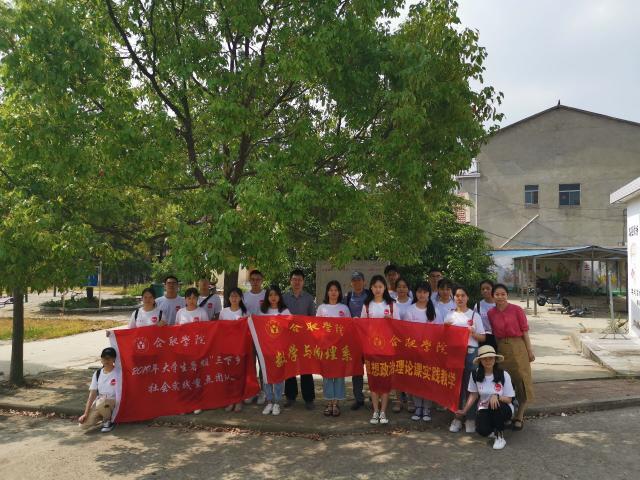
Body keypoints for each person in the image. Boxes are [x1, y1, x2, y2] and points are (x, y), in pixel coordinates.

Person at [488, 283, 535, 431]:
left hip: (518, 347)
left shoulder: (517, 310)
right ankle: (506, 414)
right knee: (503, 382)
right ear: (493, 296)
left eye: (503, 294)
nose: (500, 297)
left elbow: (525, 331)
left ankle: (519, 416)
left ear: (507, 295)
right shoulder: (491, 313)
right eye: (497, 294)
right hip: (501, 349)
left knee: (521, 380)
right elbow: (494, 334)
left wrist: (529, 350)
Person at [456, 345, 515, 450]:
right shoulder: (475, 374)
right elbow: (473, 394)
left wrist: (496, 396)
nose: (488, 361)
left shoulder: (504, 374)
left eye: (491, 358)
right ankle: (495, 426)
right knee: (482, 431)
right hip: (484, 407)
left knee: (495, 404)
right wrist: (464, 411)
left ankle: (500, 437)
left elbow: (509, 399)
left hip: (503, 407)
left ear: (495, 359)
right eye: (485, 359)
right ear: (480, 361)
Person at [446, 285, 486, 434]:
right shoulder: (449, 315)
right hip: (454, 353)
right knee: (456, 386)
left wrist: (473, 334)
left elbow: (483, 337)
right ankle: (457, 418)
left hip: (470, 353)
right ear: (453, 298)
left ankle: (470, 418)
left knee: (470, 387)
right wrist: (445, 329)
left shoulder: (474, 315)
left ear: (467, 297)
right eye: (457, 296)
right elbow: (442, 337)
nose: (460, 298)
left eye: (463, 295)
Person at [361, 275, 400, 425]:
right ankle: (375, 411)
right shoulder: (367, 305)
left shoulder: (391, 305)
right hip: (371, 348)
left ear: (385, 288)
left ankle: (383, 411)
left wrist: (391, 322)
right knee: (373, 380)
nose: (378, 289)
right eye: (375, 286)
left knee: (385, 379)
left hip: (387, 348)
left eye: (380, 287)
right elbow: (362, 326)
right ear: (371, 288)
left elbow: (399, 327)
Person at [282, 269, 317, 410]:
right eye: (294, 279)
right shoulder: (284, 298)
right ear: (290, 281)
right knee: (289, 368)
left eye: (299, 280)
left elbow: (313, 319)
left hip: (304, 339)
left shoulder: (309, 298)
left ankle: (309, 398)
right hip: (288, 338)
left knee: (306, 368)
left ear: (303, 282)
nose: (297, 282)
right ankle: (290, 397)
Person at [316, 280, 351, 417]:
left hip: (340, 348)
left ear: (339, 292)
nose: (333, 292)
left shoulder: (344, 308)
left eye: (336, 290)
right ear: (327, 292)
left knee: (339, 376)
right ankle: (329, 403)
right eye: (331, 290)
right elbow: (317, 327)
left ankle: (336, 403)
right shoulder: (321, 308)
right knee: (327, 376)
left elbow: (349, 327)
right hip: (326, 347)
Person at [403, 282, 437, 422]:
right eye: (419, 292)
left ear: (429, 294)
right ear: (415, 293)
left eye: (425, 292)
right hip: (415, 351)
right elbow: (406, 331)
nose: (422, 295)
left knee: (427, 380)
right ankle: (418, 407)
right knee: (417, 380)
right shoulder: (410, 310)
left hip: (429, 352)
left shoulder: (434, 310)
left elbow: (438, 332)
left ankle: (427, 408)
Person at [256, 285, 291, 416]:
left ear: (279, 296)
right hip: (266, 349)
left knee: (279, 376)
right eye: (270, 295)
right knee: (266, 375)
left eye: (276, 294)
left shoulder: (285, 311)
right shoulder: (262, 311)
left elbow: (290, 328)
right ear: (267, 297)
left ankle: (277, 402)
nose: (273, 297)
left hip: (280, 349)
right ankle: (269, 401)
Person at [343, 271, 370, 411]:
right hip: (354, 339)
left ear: (364, 282)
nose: (357, 282)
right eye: (354, 280)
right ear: (351, 283)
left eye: (359, 279)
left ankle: (375, 397)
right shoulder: (347, 298)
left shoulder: (370, 295)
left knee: (372, 368)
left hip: (370, 338)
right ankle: (358, 398)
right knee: (357, 370)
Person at [78, 347, 119, 433]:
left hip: (114, 402)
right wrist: (85, 413)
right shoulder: (98, 373)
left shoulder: (119, 372)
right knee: (83, 425)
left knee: (101, 403)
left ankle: (109, 421)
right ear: (101, 359)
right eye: (104, 358)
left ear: (114, 359)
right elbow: (92, 394)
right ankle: (104, 415)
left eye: (109, 358)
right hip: (100, 402)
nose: (106, 360)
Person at [392, 277, 413, 413]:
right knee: (397, 371)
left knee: (409, 371)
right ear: (395, 288)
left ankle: (410, 400)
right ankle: (398, 400)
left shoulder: (413, 303)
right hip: (395, 342)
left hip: (410, 343)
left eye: (404, 286)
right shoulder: (391, 303)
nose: (401, 289)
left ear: (408, 289)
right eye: (399, 286)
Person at [475, 279, 497, 350]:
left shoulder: (499, 304)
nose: (485, 291)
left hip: (498, 337)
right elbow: (475, 323)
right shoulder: (478, 305)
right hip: (483, 338)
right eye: (483, 289)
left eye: (488, 288)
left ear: (493, 289)